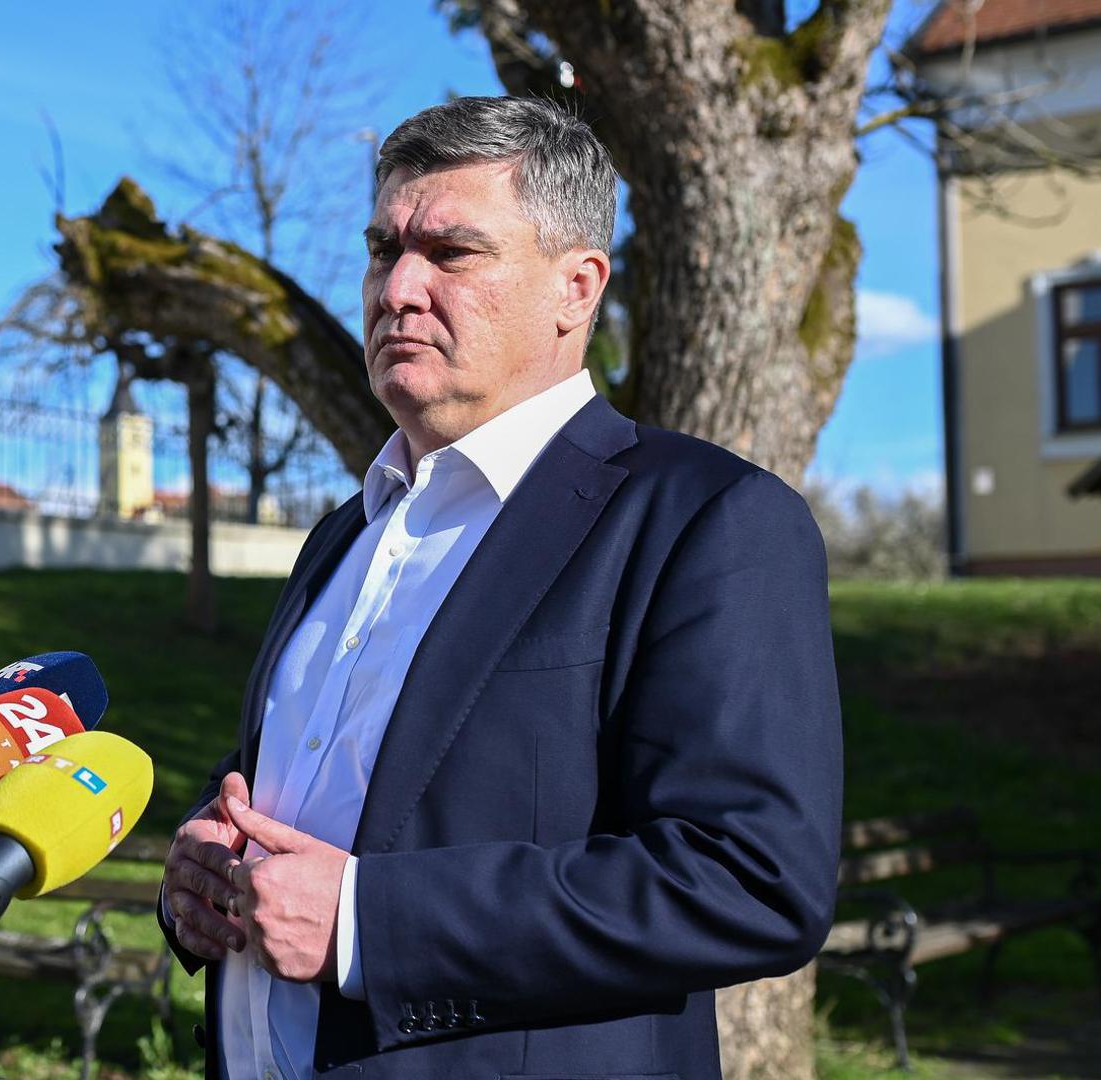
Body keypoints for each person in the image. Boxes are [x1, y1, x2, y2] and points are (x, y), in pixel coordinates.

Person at [158, 94, 842, 1080]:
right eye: (383, 249)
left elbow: (751, 877)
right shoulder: (346, 534)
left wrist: (367, 924)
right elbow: (340, 781)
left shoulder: (704, 521)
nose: (398, 288)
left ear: (576, 287)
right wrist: (205, 866)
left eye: (452, 252)